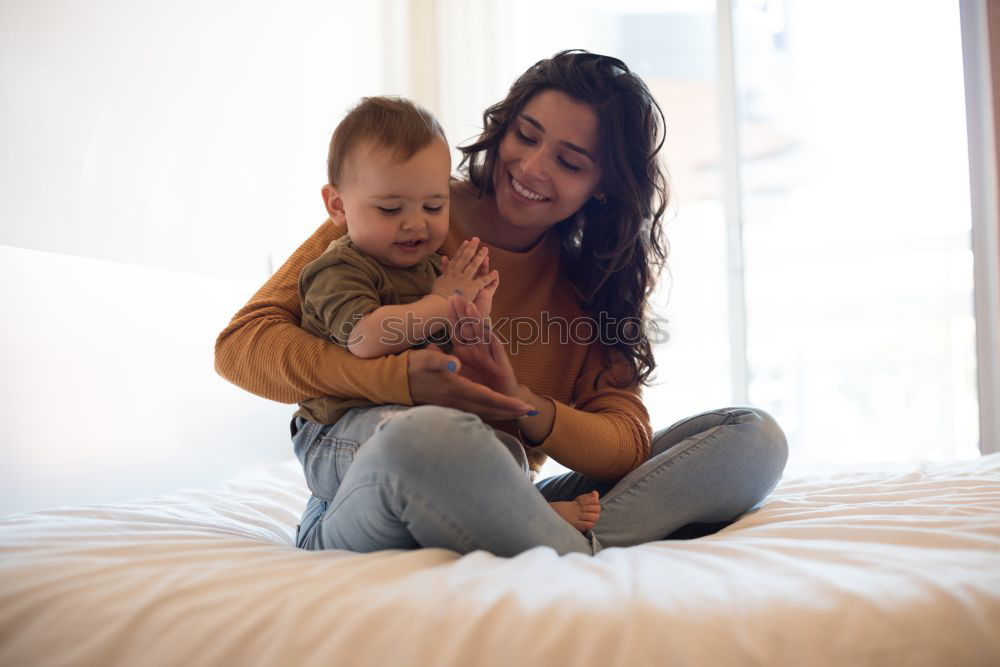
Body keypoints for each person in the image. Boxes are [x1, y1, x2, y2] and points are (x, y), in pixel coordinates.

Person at [215, 50, 789, 557]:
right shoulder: (404, 215)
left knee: (751, 439)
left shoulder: (591, 282)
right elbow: (242, 348)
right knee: (429, 436)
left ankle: (556, 538)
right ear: (502, 127)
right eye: (526, 135)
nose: (533, 168)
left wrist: (517, 402)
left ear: (604, 185)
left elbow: (624, 441)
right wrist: (403, 382)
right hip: (387, 475)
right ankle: (570, 545)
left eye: (569, 162)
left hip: (500, 484)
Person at [295, 96, 602, 532]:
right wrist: (441, 303)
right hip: (336, 435)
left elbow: (447, 355)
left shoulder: (430, 269)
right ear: (337, 206)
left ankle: (509, 507)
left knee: (499, 448)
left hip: (416, 429)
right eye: (390, 209)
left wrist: (470, 318)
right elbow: (365, 338)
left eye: (434, 207)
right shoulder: (338, 268)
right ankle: (528, 519)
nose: (416, 224)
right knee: (419, 437)